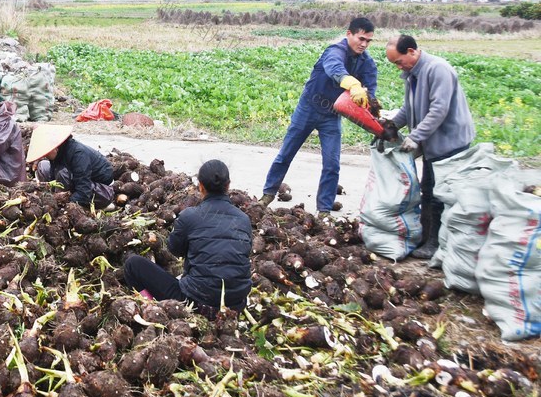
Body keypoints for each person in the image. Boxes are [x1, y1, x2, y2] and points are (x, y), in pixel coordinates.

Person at [260, 17, 377, 218]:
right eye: (361, 38)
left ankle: (324, 210)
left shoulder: (367, 64)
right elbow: (334, 69)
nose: (364, 44)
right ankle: (267, 195)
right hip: (308, 108)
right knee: (286, 153)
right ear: (349, 34)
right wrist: (352, 84)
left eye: (368, 41)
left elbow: (370, 94)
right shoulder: (334, 51)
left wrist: (368, 100)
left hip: (332, 115)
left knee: (332, 163)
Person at [384, 34, 475, 260]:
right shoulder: (412, 75)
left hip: (450, 143)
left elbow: (439, 110)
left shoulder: (438, 70)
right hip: (433, 145)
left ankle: (435, 243)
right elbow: (408, 108)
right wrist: (389, 127)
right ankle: (426, 238)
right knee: (427, 192)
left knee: (439, 195)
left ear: (412, 51)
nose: (398, 67)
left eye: (398, 61)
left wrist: (415, 137)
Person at [124, 160, 252, 317]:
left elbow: (174, 249)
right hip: (235, 306)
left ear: (200, 186)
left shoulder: (190, 216)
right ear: (228, 185)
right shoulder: (244, 219)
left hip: (195, 303)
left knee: (132, 264)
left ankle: (152, 309)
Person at [26, 124, 114, 208]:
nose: (45, 156)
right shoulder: (59, 151)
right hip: (77, 182)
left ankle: (67, 200)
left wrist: (65, 204)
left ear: (55, 147)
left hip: (102, 192)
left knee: (62, 173)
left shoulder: (78, 154)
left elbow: (84, 190)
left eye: (47, 153)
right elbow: (53, 175)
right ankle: (58, 196)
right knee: (43, 166)